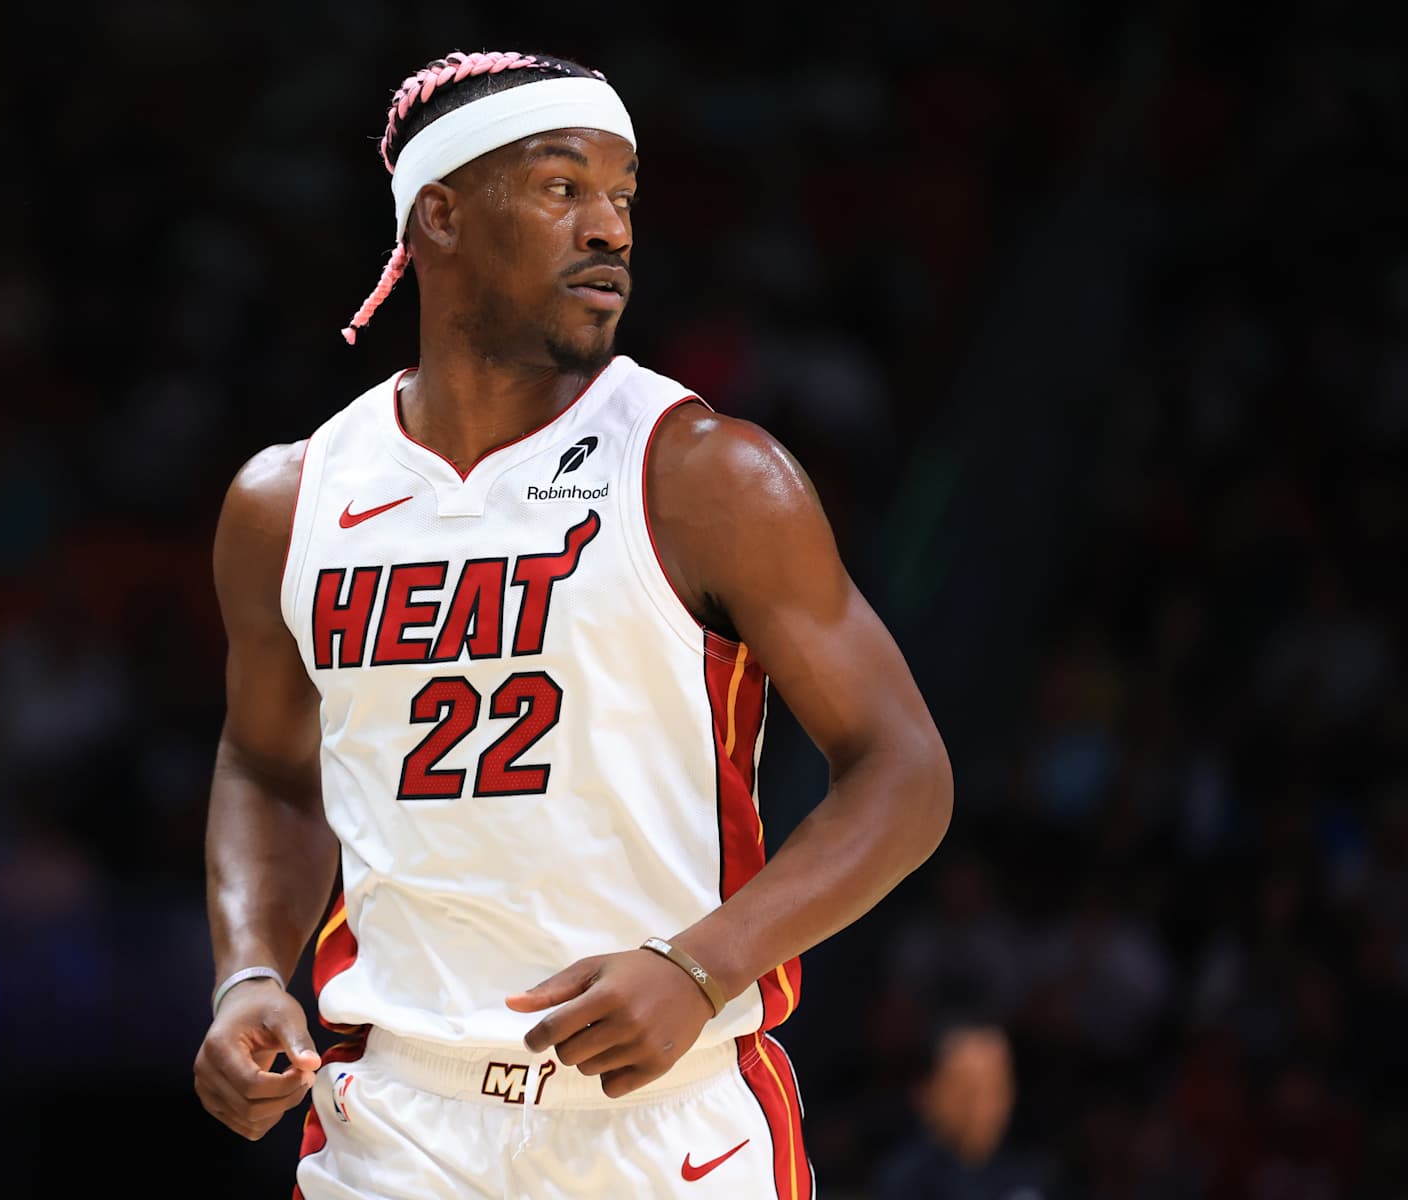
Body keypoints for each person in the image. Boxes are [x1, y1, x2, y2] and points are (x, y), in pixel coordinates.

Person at [192, 48, 953, 1199]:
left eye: (623, 195)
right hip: (400, 1121)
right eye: (563, 189)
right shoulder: (289, 500)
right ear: (438, 216)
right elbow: (265, 763)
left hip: (664, 1117)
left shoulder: (706, 475)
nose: (611, 229)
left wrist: (703, 968)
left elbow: (905, 770)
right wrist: (247, 971)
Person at [872, 1020, 1062, 1200]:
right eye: (968, 1090)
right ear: (927, 1092)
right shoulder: (908, 1178)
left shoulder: (1038, 1171)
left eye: (996, 1087)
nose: (984, 1104)